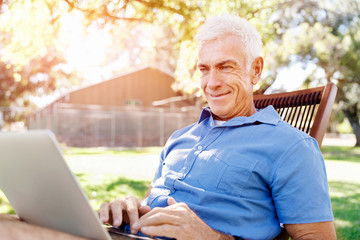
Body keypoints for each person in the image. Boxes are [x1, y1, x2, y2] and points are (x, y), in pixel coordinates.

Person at [0, 15, 336, 240]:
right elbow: (156, 202)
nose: (212, 82)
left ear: (255, 70)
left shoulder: (292, 147)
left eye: (226, 67)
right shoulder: (181, 138)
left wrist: (211, 237)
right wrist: (131, 206)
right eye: (204, 68)